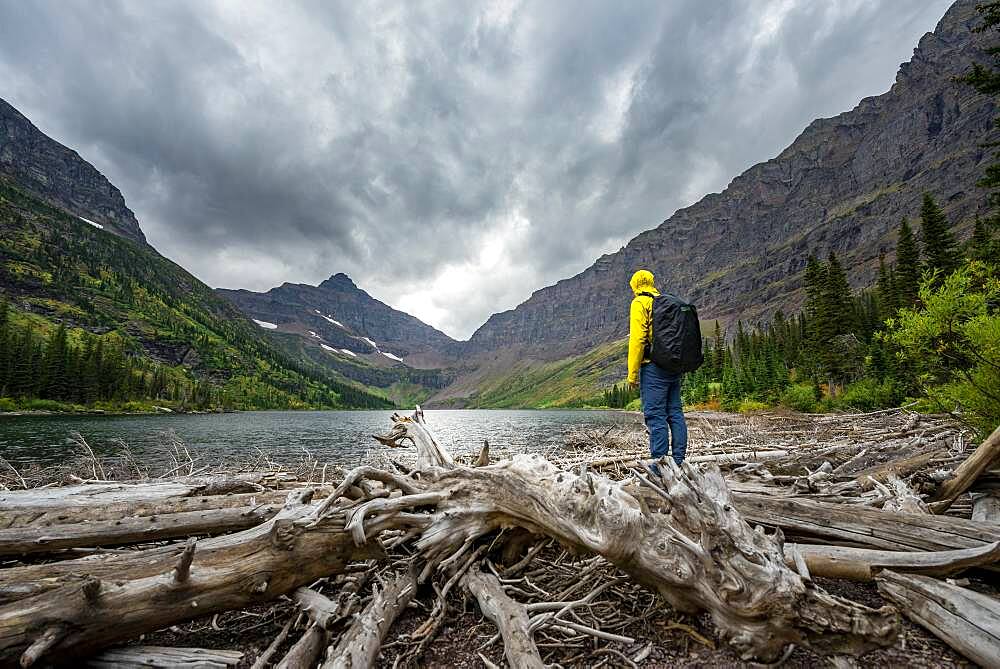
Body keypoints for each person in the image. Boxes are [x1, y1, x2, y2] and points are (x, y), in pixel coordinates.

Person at [626, 269, 688, 467]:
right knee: (675, 413)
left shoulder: (640, 303)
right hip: (673, 365)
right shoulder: (667, 302)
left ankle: (660, 467)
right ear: (652, 282)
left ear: (634, 285)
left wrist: (632, 374)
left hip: (653, 368)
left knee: (655, 416)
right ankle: (678, 462)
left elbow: (638, 340)